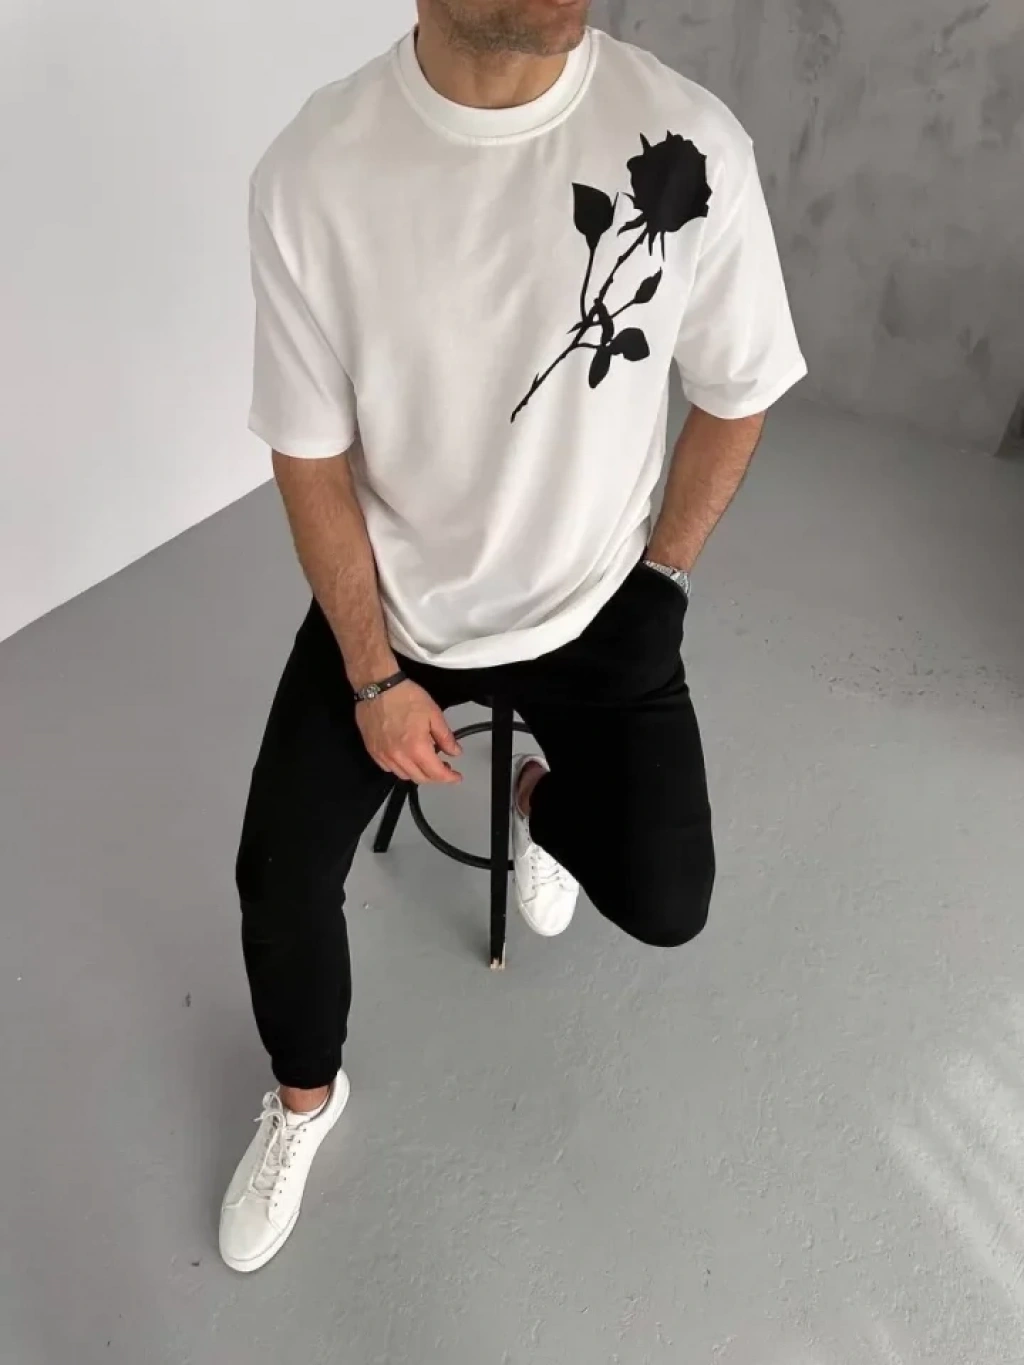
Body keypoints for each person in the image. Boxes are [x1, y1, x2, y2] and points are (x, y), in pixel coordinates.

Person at [219, 0, 807, 1273]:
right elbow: (308, 455)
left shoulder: (689, 140)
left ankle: (537, 799)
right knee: (276, 877)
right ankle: (305, 1101)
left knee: (667, 903)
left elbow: (739, 386)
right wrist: (371, 675)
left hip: (597, 608)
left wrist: (664, 579)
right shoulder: (316, 172)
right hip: (399, 616)